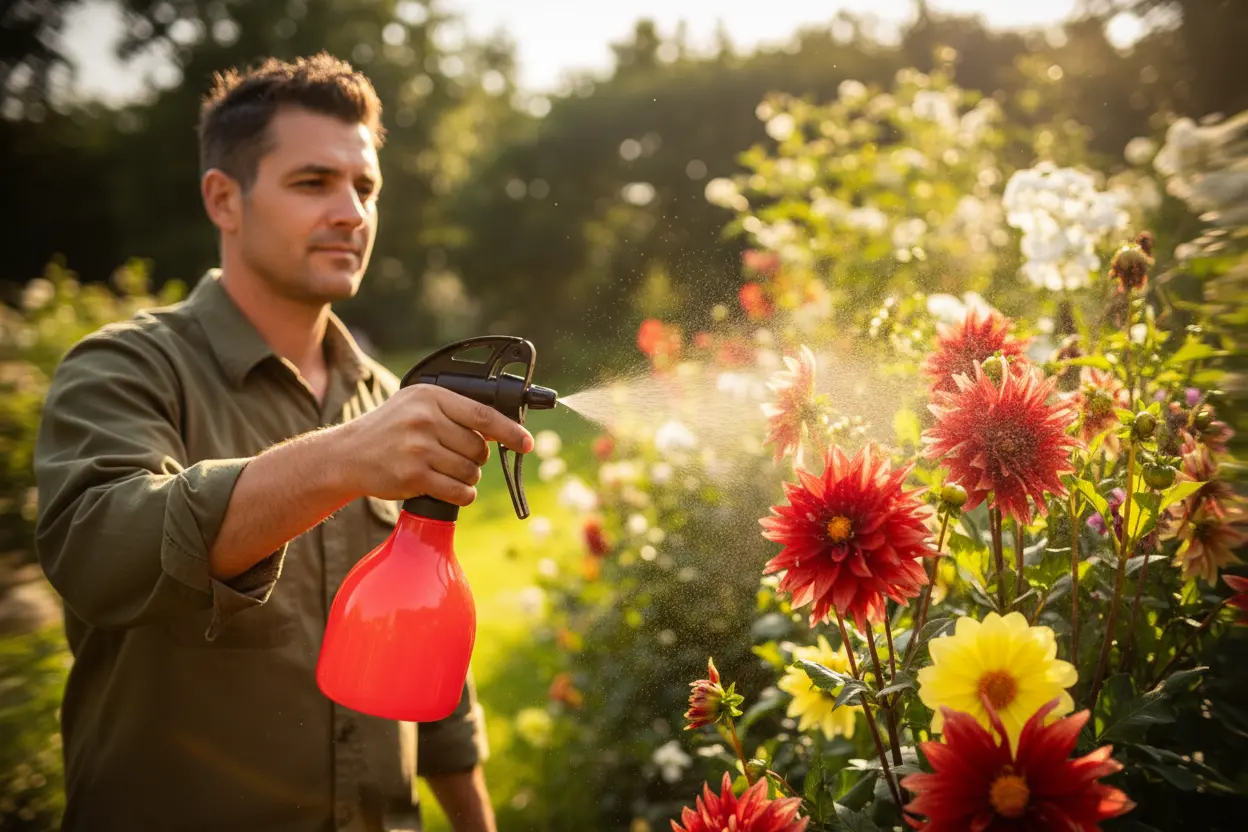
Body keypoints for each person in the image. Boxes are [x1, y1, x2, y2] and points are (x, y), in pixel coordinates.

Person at [32, 52, 531, 832]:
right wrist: (342, 458)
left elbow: (421, 644)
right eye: (314, 183)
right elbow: (97, 552)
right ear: (223, 200)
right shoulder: (124, 367)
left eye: (365, 188)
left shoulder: (384, 398)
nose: (353, 213)